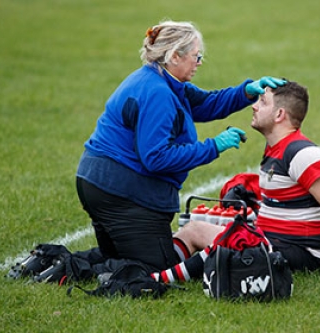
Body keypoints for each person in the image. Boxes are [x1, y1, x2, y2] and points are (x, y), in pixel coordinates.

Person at [75, 20, 287, 272]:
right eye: (196, 57)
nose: (199, 63)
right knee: (159, 269)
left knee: (124, 257)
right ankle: (64, 264)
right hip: (120, 191)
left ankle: (60, 263)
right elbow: (156, 158)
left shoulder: (163, 80)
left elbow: (204, 103)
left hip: (102, 183)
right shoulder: (158, 93)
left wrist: (246, 92)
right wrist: (213, 147)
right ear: (174, 56)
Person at [153, 81, 320, 283]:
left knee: (212, 237)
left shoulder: (301, 153)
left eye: (262, 102)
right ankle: (156, 265)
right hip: (276, 241)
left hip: (293, 251)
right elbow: (309, 202)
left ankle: (156, 279)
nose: (254, 106)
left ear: (279, 114)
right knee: (200, 229)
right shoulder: (275, 148)